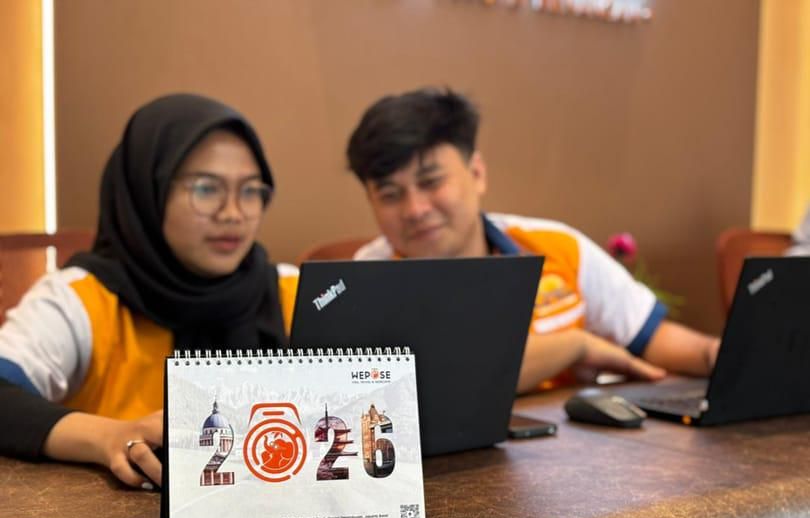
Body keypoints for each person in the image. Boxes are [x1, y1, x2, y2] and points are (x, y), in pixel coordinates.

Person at [0, 93, 297, 488]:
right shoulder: (82, 299)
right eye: (206, 189)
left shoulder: (292, 291)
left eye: (250, 191)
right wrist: (106, 436)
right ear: (147, 191)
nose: (233, 213)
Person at [345, 87, 719, 393]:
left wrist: (712, 353)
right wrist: (575, 346)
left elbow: (649, 336)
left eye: (431, 182)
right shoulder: (364, 282)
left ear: (477, 173)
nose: (415, 209)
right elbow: (447, 382)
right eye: (390, 194)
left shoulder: (555, 245)